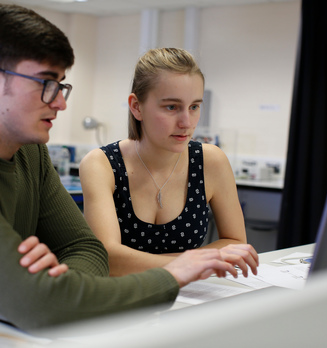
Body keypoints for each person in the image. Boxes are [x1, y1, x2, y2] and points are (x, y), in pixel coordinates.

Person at [0, 5, 259, 331]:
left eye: (61, 85)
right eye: (45, 83)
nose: (61, 103)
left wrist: (57, 285)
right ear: (137, 107)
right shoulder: (101, 163)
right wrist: (174, 273)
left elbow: (85, 249)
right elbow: (42, 303)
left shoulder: (32, 153)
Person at [79, 48, 258, 277]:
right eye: (171, 107)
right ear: (136, 106)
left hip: (188, 299)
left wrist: (187, 263)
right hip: (123, 302)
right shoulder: (101, 165)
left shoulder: (211, 161)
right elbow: (108, 259)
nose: (186, 122)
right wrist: (196, 261)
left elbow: (234, 242)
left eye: (194, 107)